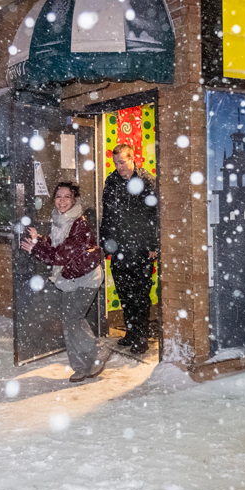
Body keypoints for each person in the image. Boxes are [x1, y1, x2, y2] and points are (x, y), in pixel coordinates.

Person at [21, 182, 110, 383]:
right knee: (70, 322)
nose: (62, 201)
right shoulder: (59, 218)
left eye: (66, 197)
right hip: (69, 277)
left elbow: (60, 255)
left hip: (86, 278)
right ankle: (81, 367)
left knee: (73, 319)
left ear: (74, 199)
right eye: (58, 197)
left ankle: (98, 351)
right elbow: (57, 245)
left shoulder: (79, 224)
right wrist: (39, 240)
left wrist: (35, 249)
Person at [99, 143, 159, 355]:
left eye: (122, 162)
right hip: (119, 248)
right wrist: (105, 243)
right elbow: (107, 215)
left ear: (133, 158)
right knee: (124, 292)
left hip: (141, 247)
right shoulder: (111, 182)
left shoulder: (146, 181)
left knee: (140, 294)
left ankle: (141, 338)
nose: (119, 167)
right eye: (116, 163)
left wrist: (153, 244)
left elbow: (155, 215)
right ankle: (131, 332)